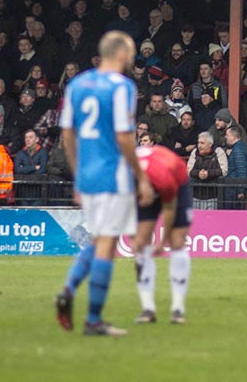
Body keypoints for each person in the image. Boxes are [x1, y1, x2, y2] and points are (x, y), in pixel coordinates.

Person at [54, 31, 155, 338]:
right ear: (122, 54)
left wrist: (78, 173)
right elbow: (125, 136)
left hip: (88, 173)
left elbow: (67, 134)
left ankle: (69, 290)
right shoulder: (124, 87)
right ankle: (93, 319)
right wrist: (141, 176)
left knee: (100, 240)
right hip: (113, 174)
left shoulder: (77, 84)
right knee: (108, 245)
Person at [130, 142, 192, 326]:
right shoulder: (122, 176)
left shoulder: (163, 179)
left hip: (177, 183)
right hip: (146, 178)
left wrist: (162, 242)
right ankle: (148, 308)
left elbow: (169, 209)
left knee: (177, 241)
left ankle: (178, 308)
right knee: (140, 244)